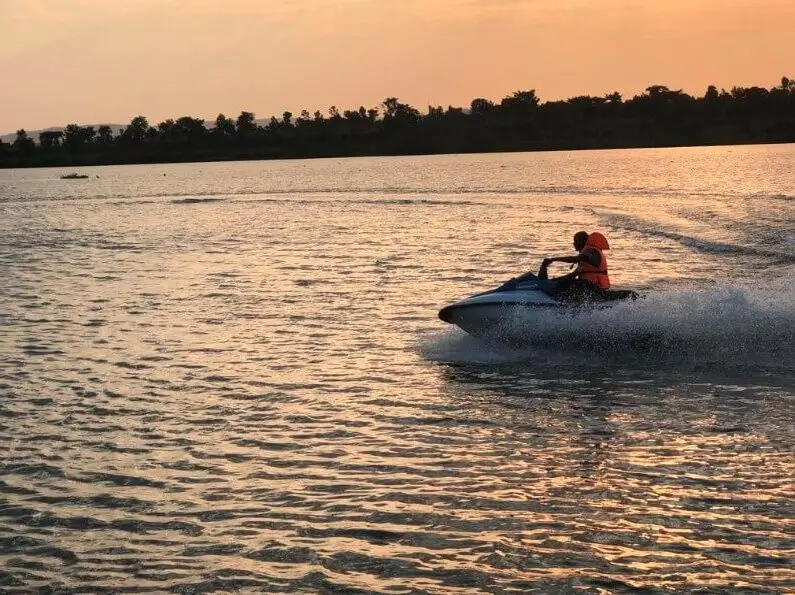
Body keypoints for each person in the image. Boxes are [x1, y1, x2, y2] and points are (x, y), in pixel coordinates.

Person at [538, 231, 611, 297]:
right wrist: (553, 281)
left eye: (576, 241)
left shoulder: (591, 252)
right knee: (563, 282)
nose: (574, 243)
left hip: (594, 288)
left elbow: (575, 259)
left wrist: (553, 259)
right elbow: (572, 276)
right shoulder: (585, 259)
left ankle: (560, 302)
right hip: (589, 287)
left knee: (570, 286)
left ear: (583, 241)